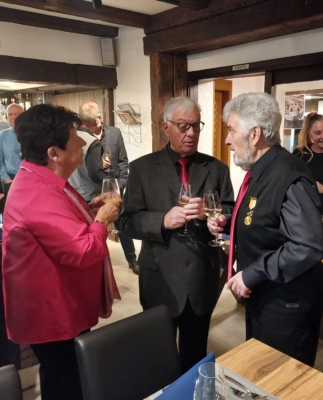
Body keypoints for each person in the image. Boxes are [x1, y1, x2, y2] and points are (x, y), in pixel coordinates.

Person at [2, 104, 121, 400]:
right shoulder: (37, 192)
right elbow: (83, 250)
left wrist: (88, 209)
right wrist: (102, 221)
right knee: (67, 382)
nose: (82, 142)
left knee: (63, 375)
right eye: (74, 136)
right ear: (54, 153)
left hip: (55, 304)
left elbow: (58, 226)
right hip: (52, 313)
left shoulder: (38, 178)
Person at [208, 92, 323, 367]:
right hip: (266, 296)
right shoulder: (262, 170)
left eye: (231, 130)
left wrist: (252, 273)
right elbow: (264, 216)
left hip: (287, 304)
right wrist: (230, 223)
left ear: (255, 135)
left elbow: (308, 246)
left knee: (280, 379)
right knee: (261, 372)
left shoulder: (288, 175)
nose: (227, 140)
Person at [119, 97, 234, 372]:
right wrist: (162, 220)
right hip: (160, 277)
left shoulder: (216, 168)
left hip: (201, 276)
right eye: (183, 126)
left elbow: (231, 211)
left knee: (195, 356)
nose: (191, 133)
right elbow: (127, 222)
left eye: (196, 126)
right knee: (159, 356)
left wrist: (214, 215)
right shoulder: (142, 168)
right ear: (165, 127)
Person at [80, 100, 139, 275]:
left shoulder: (114, 133)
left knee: (122, 225)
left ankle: (132, 260)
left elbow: (123, 162)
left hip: (114, 189)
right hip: (91, 191)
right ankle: (99, 264)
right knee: (94, 228)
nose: (98, 118)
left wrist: (121, 184)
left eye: (99, 114)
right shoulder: (81, 138)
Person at [67, 102, 105, 201]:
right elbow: (95, 174)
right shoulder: (93, 142)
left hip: (70, 194)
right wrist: (111, 183)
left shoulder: (67, 137)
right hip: (90, 196)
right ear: (96, 122)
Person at [0, 103, 24, 204]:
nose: (13, 117)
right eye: (10, 114)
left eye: (17, 114)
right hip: (11, 180)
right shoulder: (2, 136)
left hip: (31, 179)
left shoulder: (33, 134)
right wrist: (6, 179)